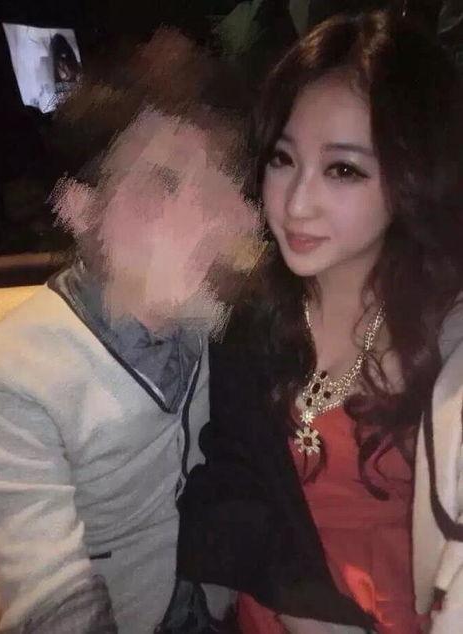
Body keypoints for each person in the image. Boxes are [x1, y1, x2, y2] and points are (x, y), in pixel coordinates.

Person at [0, 29, 263, 634]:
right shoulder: (9, 375)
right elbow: (54, 601)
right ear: (81, 209)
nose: (205, 217)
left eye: (217, 181)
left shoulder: (212, 320)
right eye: (163, 184)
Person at [177, 8, 463, 634]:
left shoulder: (448, 335)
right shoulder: (243, 312)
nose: (296, 203)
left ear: (413, 177)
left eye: (343, 169)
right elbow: (227, 482)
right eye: (283, 159)